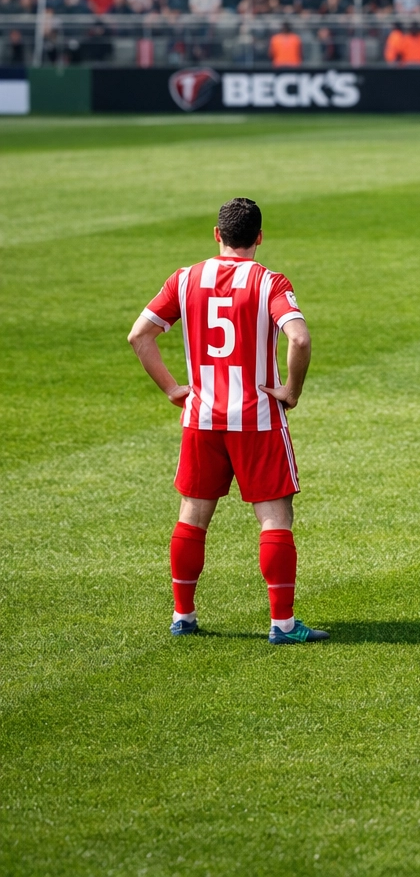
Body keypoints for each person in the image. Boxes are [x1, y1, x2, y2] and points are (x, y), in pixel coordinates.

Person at [126, 198, 326, 645]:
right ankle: (283, 625)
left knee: (193, 516)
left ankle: (184, 615)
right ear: (258, 237)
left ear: (217, 234)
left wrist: (173, 389)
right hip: (256, 419)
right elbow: (300, 338)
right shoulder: (269, 282)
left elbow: (139, 335)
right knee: (275, 517)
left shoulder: (185, 279)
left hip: (202, 417)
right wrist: (291, 391)